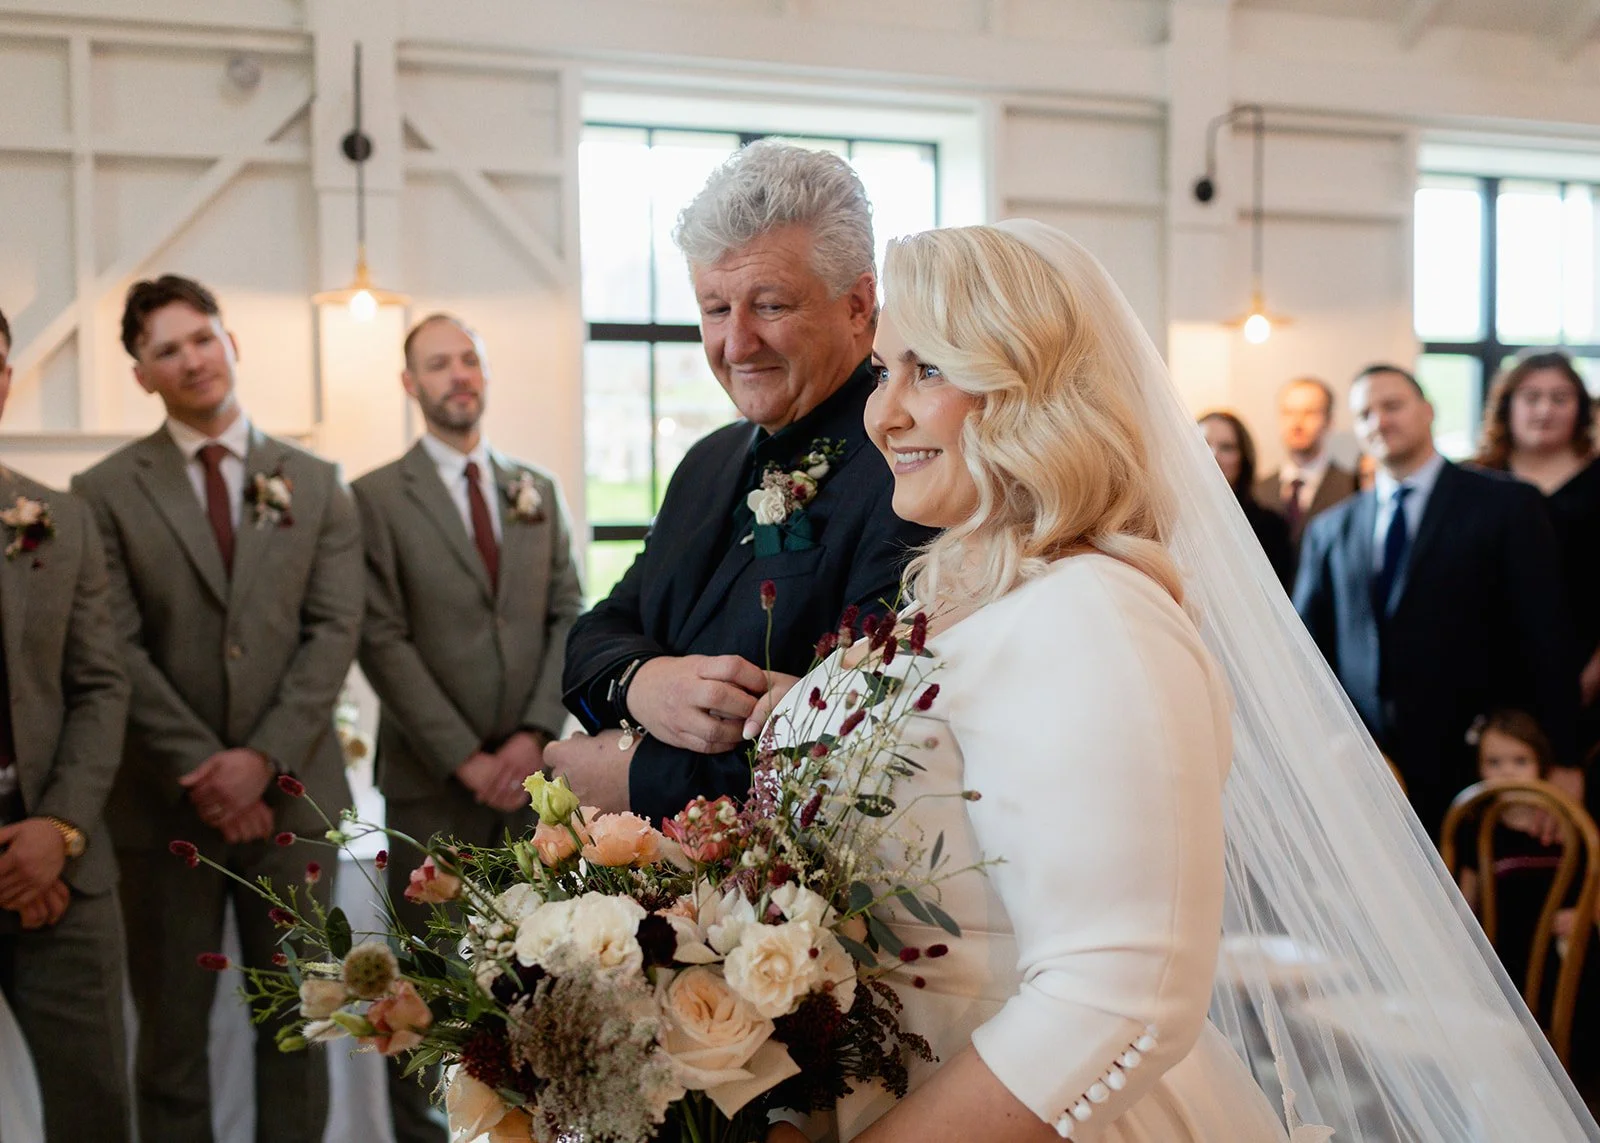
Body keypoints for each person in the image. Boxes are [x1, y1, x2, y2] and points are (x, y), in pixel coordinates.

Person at [761, 222, 1597, 1143]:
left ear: (1034, 392)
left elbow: (1119, 994)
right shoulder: (957, 597)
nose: (884, 414)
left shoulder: (1092, 615)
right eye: (885, 371)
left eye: (929, 370)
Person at [556, 141, 934, 825]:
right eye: (715, 309)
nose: (735, 345)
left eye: (769, 305)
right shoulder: (707, 461)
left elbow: (876, 733)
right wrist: (643, 684)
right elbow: (593, 637)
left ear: (858, 304)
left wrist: (633, 775)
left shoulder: (908, 467)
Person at [72, 275, 363, 1143]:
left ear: (231, 341)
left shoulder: (315, 480)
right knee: (168, 1044)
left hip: (294, 802)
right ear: (142, 376)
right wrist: (207, 769)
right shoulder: (105, 490)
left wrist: (259, 761)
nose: (191, 358)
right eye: (166, 349)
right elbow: (114, 647)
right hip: (166, 807)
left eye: (201, 336)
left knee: (300, 1028)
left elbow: (333, 630)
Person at [353, 312, 583, 1143]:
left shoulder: (536, 488)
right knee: (428, 991)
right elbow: (379, 634)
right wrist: (463, 755)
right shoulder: (373, 497)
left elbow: (567, 611)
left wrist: (530, 734)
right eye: (439, 363)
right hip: (429, 779)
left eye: (470, 359)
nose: (459, 375)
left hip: (529, 781)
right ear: (410, 384)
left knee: (535, 975)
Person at [1293, 363, 1579, 838]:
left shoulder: (1507, 506)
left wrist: (1564, 757)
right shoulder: (1330, 529)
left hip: (1478, 762)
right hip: (1368, 769)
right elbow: (1305, 651)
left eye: (1393, 406)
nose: (1379, 421)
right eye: (1365, 413)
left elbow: (1546, 636)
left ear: (1427, 411)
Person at [0, 306, 132, 1141]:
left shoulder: (55, 517)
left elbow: (99, 685)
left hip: (62, 873)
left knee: (94, 1111)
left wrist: (59, 828)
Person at [1472, 351, 1600, 765]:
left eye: (1560, 398)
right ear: (1507, 406)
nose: (1545, 409)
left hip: (1584, 676)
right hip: (1488, 674)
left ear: (1580, 409)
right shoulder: (1472, 480)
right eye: (1532, 397)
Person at [1453, 710, 1567, 990]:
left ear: (1541, 765)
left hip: (1562, 953)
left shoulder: (1564, 828)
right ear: (1479, 768)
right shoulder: (1476, 827)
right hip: (1503, 953)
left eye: (1520, 761)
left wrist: (1581, 916)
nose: (1507, 771)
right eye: (1494, 762)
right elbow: (1466, 903)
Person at [1253, 376, 1357, 548]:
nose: (1297, 423)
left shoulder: (1352, 488)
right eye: (1288, 412)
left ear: (1329, 421)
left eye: (1309, 413)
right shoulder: (1257, 490)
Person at [1199, 411, 1295, 589]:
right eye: (1202, 443)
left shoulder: (1270, 527)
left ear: (1243, 459)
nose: (1213, 455)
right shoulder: (1166, 520)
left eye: (1226, 447)